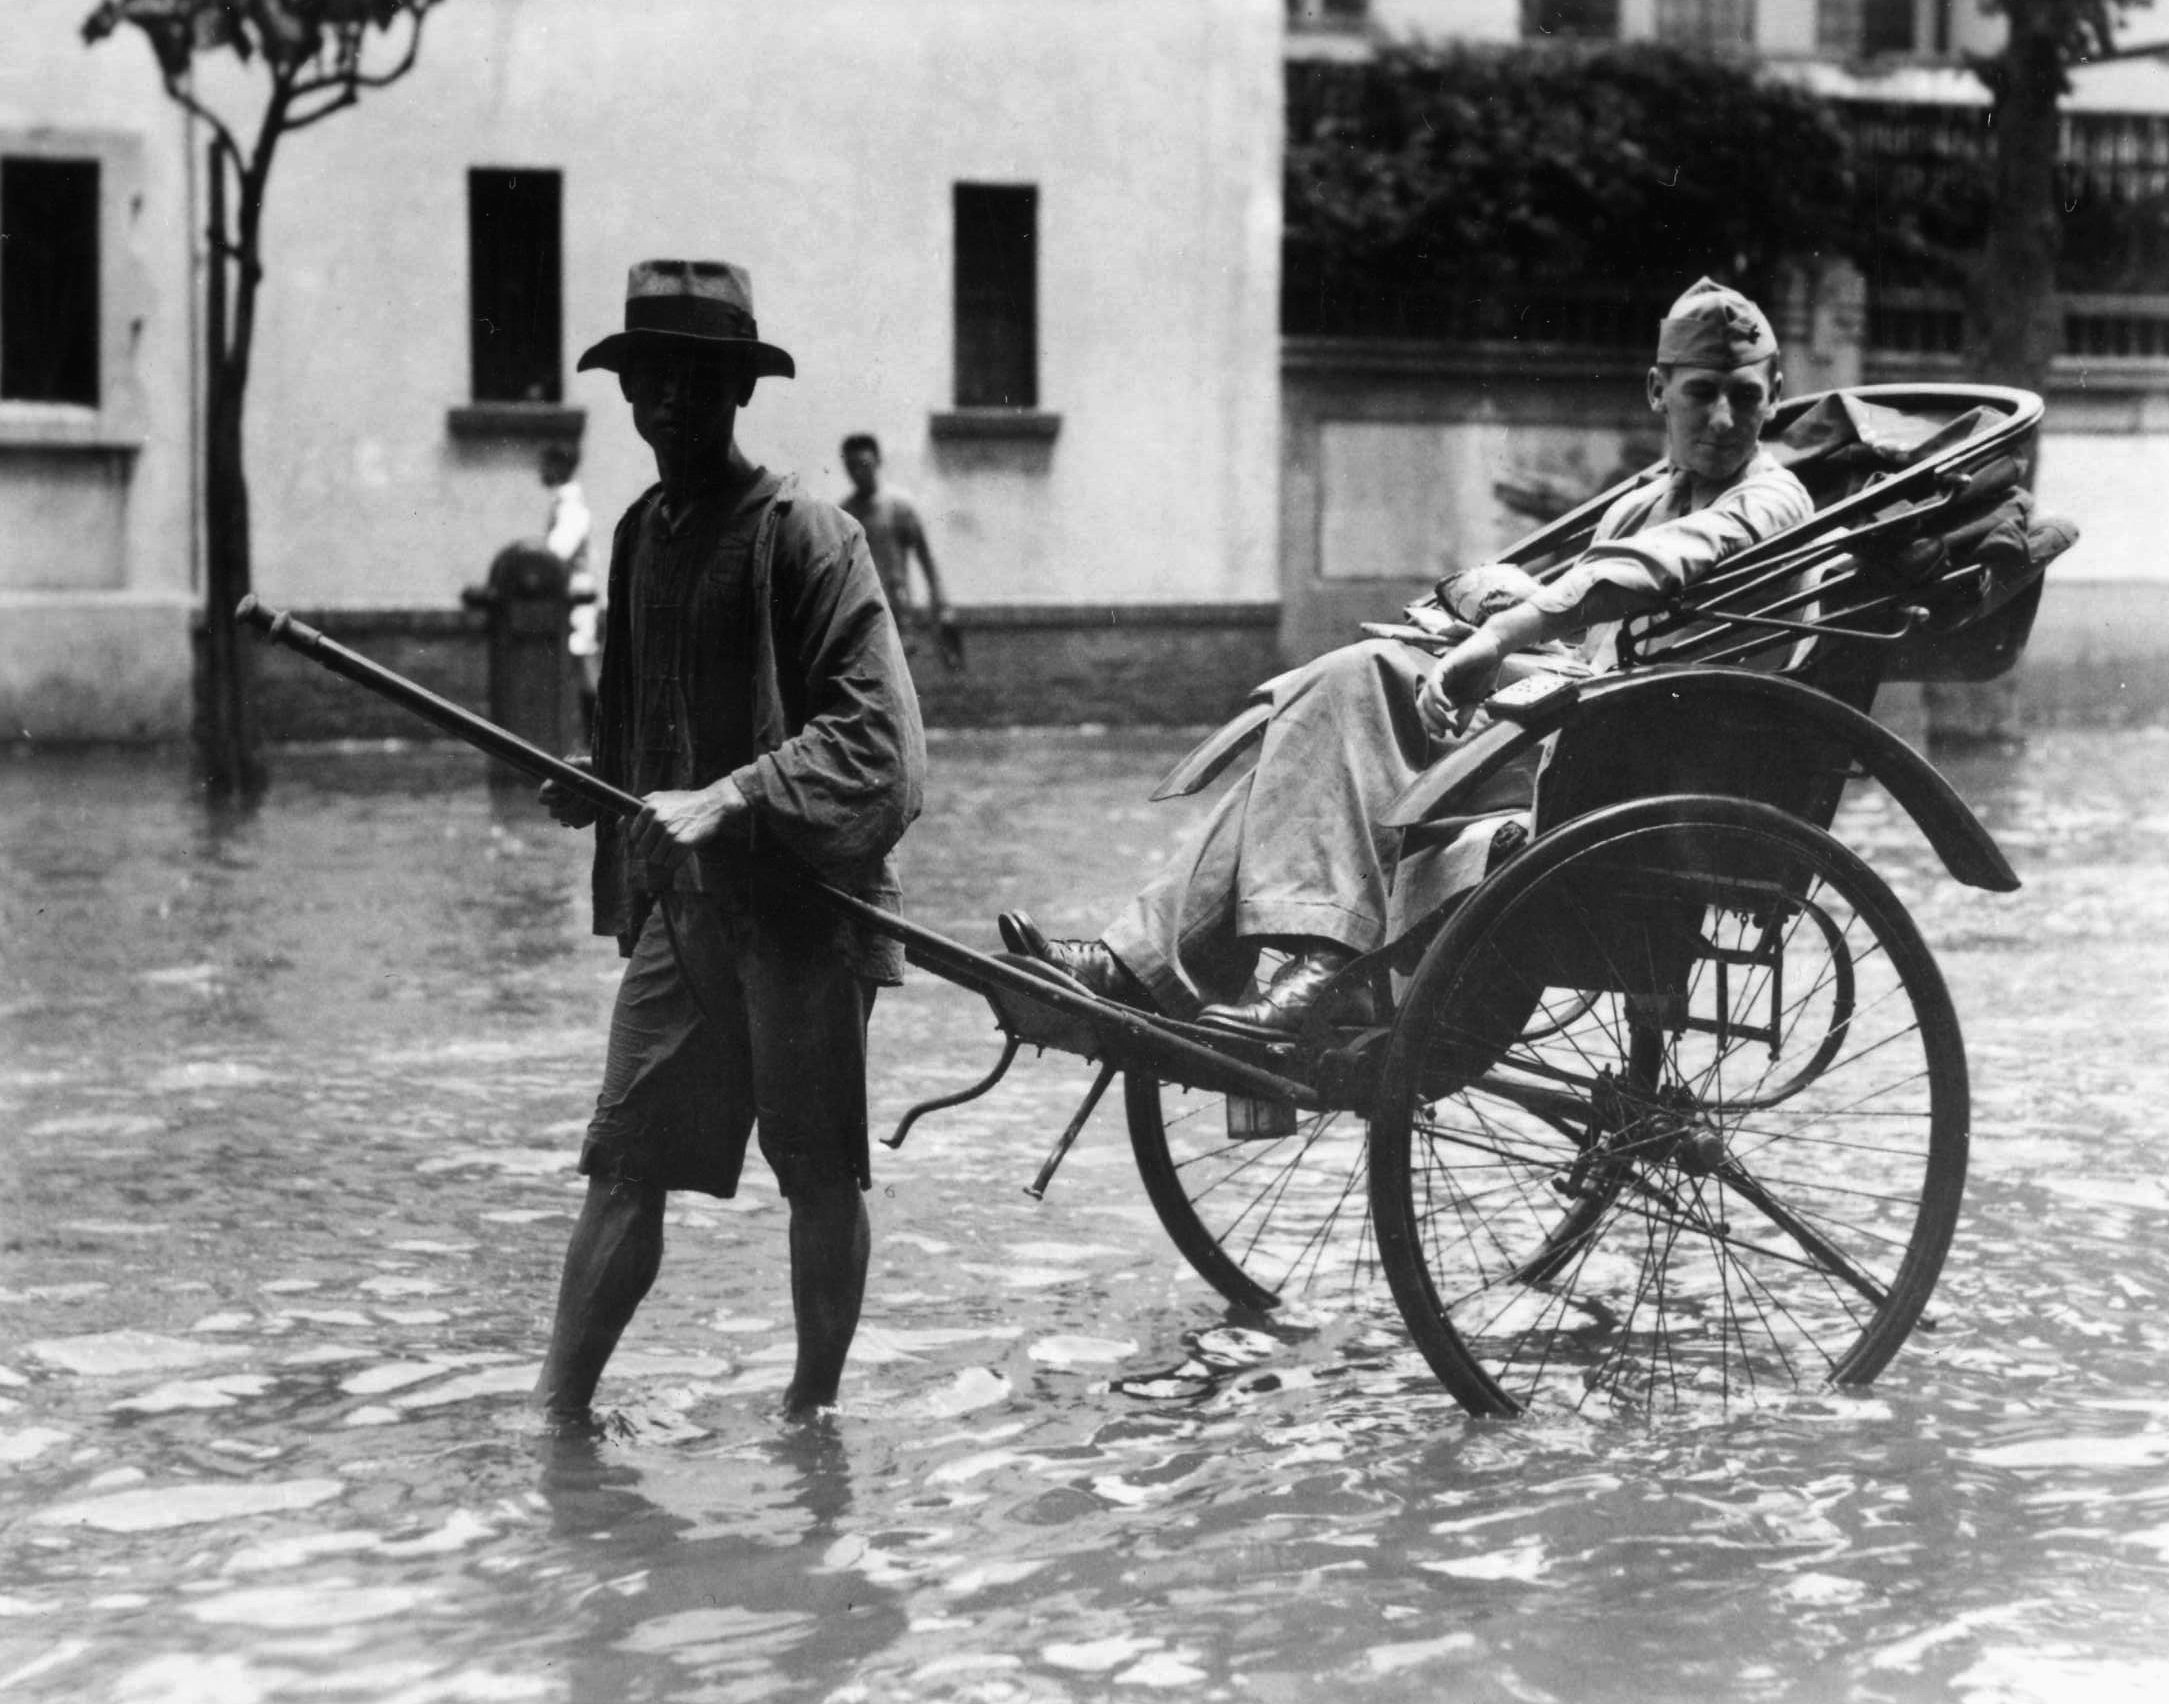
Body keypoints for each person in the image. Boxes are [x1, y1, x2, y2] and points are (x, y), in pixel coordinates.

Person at [1003, 277, 1814, 1038]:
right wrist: (1478, 626)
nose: (1720, 418)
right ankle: (1150, 961)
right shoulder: (1643, 498)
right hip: (1589, 735)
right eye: (1699, 392)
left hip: (1658, 778)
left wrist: (1498, 641)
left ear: (1773, 396)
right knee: (1336, 692)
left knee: (1368, 704)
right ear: (1656, 392)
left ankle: (1315, 959)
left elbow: (1651, 569)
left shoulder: (1775, 500)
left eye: (1744, 396)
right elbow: (1586, 630)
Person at [533, 258, 926, 1425]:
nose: (669, 404)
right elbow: (638, 733)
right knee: (622, 1162)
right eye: (650, 379)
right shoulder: (640, 536)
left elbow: (885, 749)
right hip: (683, 913)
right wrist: (602, 786)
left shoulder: (812, 536)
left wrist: (737, 795)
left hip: (805, 910)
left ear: (738, 393)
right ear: (628, 393)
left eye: (698, 381)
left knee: (814, 1171)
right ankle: (556, 1418)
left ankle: (812, 1419)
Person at [839, 434, 963, 670]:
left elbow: (926, 559)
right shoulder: (845, 513)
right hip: (861, 611)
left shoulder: (898, 506)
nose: (858, 473)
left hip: (898, 609)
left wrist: (941, 605)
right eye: (851, 466)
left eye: (864, 465)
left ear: (877, 462)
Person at [539, 441, 600, 740]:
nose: (541, 471)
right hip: (571, 597)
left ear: (560, 467)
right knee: (579, 661)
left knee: (581, 660)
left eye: (546, 465)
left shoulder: (571, 506)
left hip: (575, 597)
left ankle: (595, 732)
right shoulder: (563, 502)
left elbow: (557, 552)